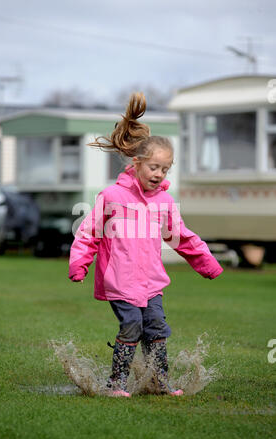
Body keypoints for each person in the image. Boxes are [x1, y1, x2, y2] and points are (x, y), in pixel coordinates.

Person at [68, 92, 223, 397]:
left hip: (151, 282)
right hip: (120, 281)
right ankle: (116, 385)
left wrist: (206, 262)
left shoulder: (164, 202)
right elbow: (89, 233)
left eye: (165, 169)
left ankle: (158, 383)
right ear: (137, 164)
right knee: (132, 327)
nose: (159, 174)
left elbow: (182, 237)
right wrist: (80, 263)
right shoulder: (112, 196)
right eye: (154, 167)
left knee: (156, 330)